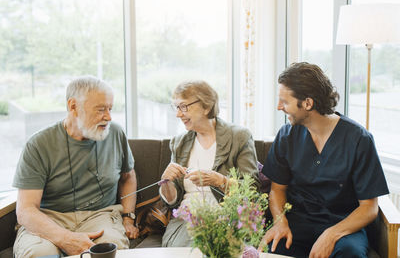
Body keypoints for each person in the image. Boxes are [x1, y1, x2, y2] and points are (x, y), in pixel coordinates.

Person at [259, 62, 389, 258]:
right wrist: (280, 223)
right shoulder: (287, 136)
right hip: (298, 223)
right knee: (271, 250)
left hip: (344, 225)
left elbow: (369, 208)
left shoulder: (358, 139)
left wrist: (331, 234)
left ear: (308, 103)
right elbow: (277, 190)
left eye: (285, 102)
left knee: (350, 254)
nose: (279, 107)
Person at [13, 76, 139, 258]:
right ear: (73, 106)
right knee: (40, 253)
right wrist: (65, 238)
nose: (109, 117)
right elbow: (26, 210)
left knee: (108, 250)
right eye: (101, 109)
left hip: (100, 215)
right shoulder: (39, 144)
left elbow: (128, 177)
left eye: (110, 109)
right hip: (50, 217)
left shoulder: (116, 133)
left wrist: (128, 217)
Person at [159, 80, 260, 247]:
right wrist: (166, 182)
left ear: (206, 107)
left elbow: (251, 191)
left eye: (184, 107)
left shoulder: (239, 137)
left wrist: (220, 181)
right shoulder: (179, 142)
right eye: (176, 107)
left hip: (226, 217)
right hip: (187, 220)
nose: (178, 114)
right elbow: (171, 201)